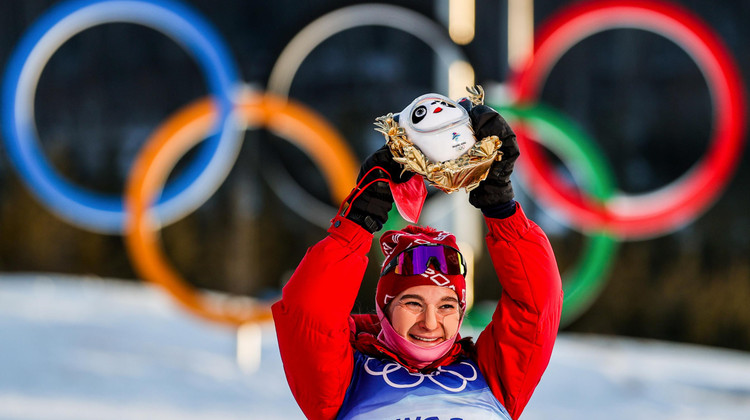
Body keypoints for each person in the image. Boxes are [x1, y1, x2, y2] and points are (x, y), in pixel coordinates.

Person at [272, 101, 563, 420]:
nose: (430, 322)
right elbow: (310, 313)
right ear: (384, 307)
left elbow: (537, 305)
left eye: (446, 306)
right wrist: (359, 219)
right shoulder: (343, 383)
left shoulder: (496, 377)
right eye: (412, 303)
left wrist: (501, 206)